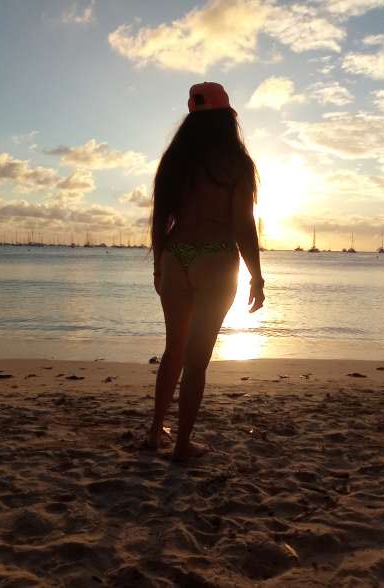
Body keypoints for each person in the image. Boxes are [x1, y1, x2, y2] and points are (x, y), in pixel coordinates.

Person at [148, 82, 265, 461]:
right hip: (215, 257)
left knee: (174, 350)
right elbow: (243, 224)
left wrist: (159, 265)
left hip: (176, 255)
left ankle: (154, 433)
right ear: (227, 117)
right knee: (196, 360)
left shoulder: (174, 160)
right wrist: (256, 276)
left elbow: (160, 219)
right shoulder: (236, 163)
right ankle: (182, 445)